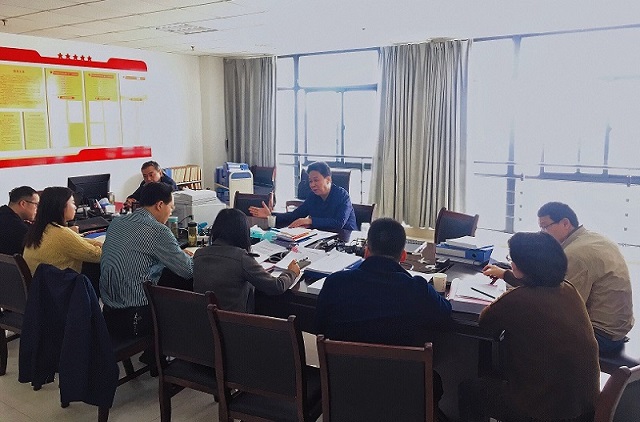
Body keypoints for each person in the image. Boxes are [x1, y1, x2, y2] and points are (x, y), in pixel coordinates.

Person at [459, 232, 599, 422]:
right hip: (585, 407)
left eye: (512, 259)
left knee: (470, 389)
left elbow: (485, 321)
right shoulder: (568, 289)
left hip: (545, 411)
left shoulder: (518, 299)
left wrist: (508, 289)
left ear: (522, 266)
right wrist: (505, 274)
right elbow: (538, 283)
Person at [484, 201, 633, 353]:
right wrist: (506, 274)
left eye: (545, 227)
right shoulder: (592, 239)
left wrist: (513, 287)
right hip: (617, 330)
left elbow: (558, 305)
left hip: (600, 335)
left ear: (565, 223)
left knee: (518, 329)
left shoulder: (575, 254)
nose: (542, 233)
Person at [100, 182, 193, 339]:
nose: (171, 212)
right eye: (171, 208)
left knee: (166, 275)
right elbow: (188, 270)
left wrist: (171, 254)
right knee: (186, 285)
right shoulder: (158, 231)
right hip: (136, 318)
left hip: (109, 314)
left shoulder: (116, 222)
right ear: (160, 205)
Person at [193, 208, 300, 312]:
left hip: (204, 320)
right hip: (235, 322)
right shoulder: (241, 258)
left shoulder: (198, 254)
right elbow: (277, 286)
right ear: (243, 232)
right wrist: (291, 272)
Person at [249, 161, 357, 231]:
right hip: (322, 240)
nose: (312, 185)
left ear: (328, 179)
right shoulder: (313, 197)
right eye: (310, 181)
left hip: (347, 240)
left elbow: (338, 223)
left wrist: (310, 221)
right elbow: (294, 216)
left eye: (316, 180)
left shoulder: (342, 196)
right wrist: (271, 215)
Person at [23, 187, 102, 274]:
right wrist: (104, 246)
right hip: (57, 282)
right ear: (61, 207)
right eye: (73, 203)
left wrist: (96, 243)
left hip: (40, 281)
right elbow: (97, 256)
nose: (75, 207)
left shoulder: (40, 228)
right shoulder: (60, 234)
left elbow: (76, 242)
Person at [0, 186, 39, 255]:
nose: (37, 209)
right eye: (36, 205)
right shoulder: (20, 229)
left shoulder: (4, 215)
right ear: (23, 204)